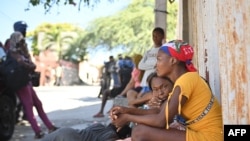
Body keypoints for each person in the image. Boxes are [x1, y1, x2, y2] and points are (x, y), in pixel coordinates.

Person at [111, 40, 223, 141]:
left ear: (173, 60)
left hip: (212, 137)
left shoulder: (186, 80)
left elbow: (161, 121)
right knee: (139, 130)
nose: (156, 65)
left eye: (159, 59)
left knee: (139, 132)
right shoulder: (182, 81)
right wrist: (126, 110)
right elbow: (158, 112)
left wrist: (127, 118)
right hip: (205, 134)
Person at [41, 72, 174, 141]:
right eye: (155, 89)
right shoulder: (154, 101)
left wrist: (128, 115)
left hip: (106, 135)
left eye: (164, 87)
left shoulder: (169, 104)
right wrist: (132, 109)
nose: (160, 92)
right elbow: (132, 95)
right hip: (99, 132)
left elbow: (159, 119)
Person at [8, 32, 58, 139]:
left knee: (38, 104)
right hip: (21, 84)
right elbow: (25, 64)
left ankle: (50, 126)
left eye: (23, 41)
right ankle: (37, 131)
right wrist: (28, 65)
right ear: (15, 40)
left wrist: (26, 54)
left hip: (27, 82)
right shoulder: (12, 53)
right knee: (28, 106)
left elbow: (31, 64)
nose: (22, 42)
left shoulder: (21, 52)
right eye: (20, 40)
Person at [126, 27, 165, 107]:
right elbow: (140, 65)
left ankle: (136, 114)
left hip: (154, 84)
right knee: (130, 93)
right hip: (144, 83)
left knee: (138, 101)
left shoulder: (164, 50)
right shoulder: (148, 52)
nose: (155, 38)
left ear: (163, 36)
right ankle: (135, 115)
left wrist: (148, 64)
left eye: (157, 35)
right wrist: (153, 65)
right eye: (153, 36)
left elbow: (160, 64)